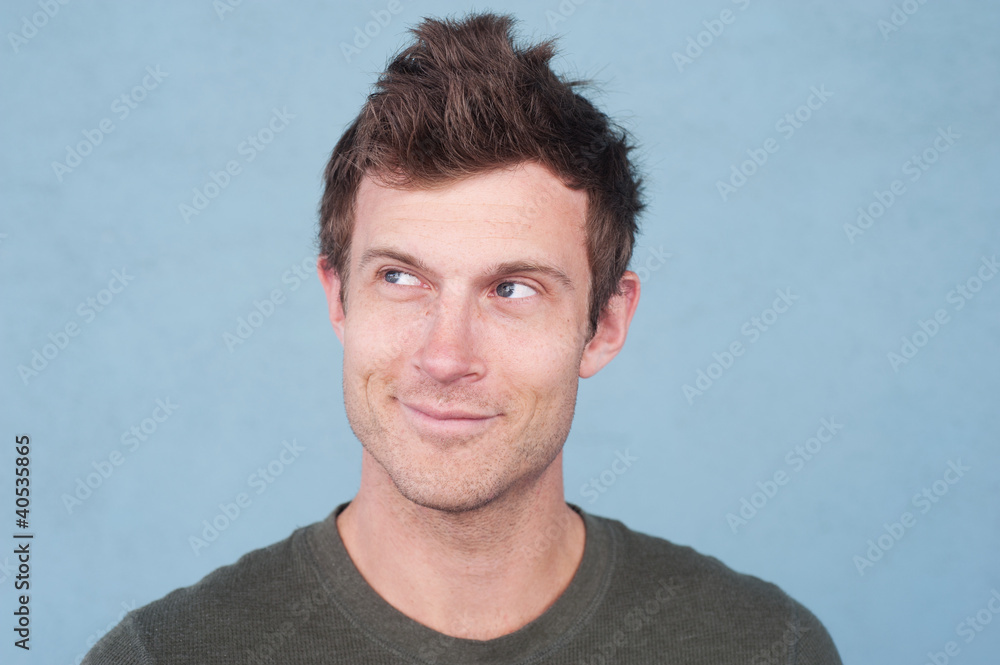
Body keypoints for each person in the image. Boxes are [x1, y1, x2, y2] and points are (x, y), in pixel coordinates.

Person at [84, 12, 842, 664]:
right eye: (401, 279)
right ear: (336, 298)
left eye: (513, 289)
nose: (446, 356)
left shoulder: (763, 645)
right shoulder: (165, 653)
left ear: (606, 323)